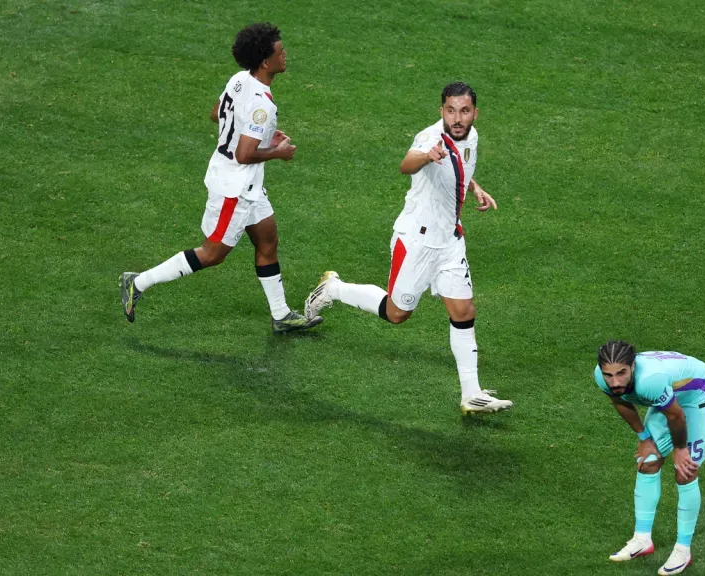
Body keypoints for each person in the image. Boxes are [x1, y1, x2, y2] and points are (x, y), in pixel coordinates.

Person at [303, 82, 512, 414]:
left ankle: (471, 394)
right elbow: (407, 163)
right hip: (416, 240)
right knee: (397, 313)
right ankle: (334, 288)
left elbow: (459, 167)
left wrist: (474, 187)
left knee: (463, 311)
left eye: (465, 110)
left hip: (450, 240)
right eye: (450, 110)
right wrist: (426, 157)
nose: (457, 118)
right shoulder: (431, 138)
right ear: (441, 110)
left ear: (475, 112)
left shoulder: (471, 137)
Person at [119, 22, 322, 334]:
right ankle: (138, 281)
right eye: (281, 52)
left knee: (268, 240)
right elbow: (244, 154)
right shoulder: (263, 105)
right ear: (266, 62)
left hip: (245, 183)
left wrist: (263, 136)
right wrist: (276, 151)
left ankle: (281, 315)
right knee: (212, 254)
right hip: (235, 188)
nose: (286, 55)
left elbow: (218, 113)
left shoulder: (240, 79)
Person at [595, 340, 705, 575]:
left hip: (698, 395)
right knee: (647, 462)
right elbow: (619, 402)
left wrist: (680, 448)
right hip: (670, 395)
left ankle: (683, 550)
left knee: (685, 472)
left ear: (633, 366)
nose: (615, 382)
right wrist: (644, 438)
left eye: (621, 373)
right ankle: (642, 539)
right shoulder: (602, 377)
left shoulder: (649, 381)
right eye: (609, 375)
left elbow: (676, 417)